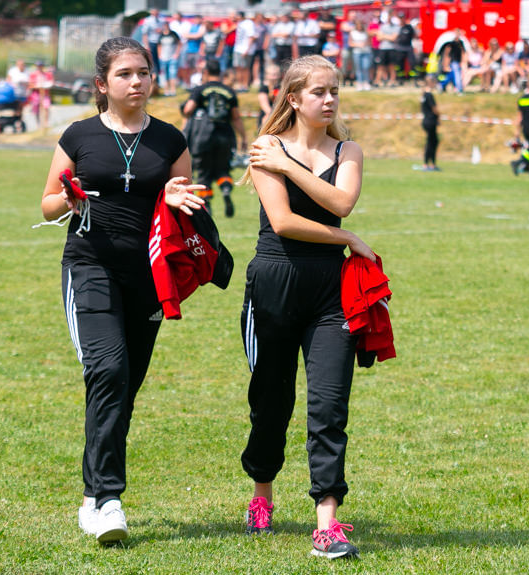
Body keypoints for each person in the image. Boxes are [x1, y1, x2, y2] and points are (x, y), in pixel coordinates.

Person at [39, 36, 206, 545]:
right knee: (107, 369)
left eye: (144, 73)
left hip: (150, 277)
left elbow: (186, 209)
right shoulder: (79, 135)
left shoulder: (171, 140)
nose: (137, 82)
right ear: (102, 84)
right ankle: (108, 499)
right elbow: (46, 204)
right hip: (90, 267)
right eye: (125, 74)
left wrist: (178, 196)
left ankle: (92, 494)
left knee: (122, 385)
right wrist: (67, 198)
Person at [239, 55, 374, 560]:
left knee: (329, 406)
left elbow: (342, 202)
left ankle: (327, 522)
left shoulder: (349, 149)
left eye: (335, 90)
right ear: (293, 99)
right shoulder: (265, 147)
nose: (330, 100)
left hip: (330, 292)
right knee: (271, 404)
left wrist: (291, 167)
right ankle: (261, 494)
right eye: (319, 91)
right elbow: (283, 221)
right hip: (275, 282)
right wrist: (346, 238)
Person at [181, 58, 247, 218]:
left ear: (205, 72)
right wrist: (243, 137)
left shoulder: (200, 90)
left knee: (203, 173)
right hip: (225, 135)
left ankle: (207, 204)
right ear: (220, 72)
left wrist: (185, 111)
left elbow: (188, 109)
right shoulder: (229, 91)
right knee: (223, 169)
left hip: (203, 136)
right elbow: (236, 117)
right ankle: (225, 188)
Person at [417, 74, 439, 171]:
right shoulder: (429, 95)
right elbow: (434, 109)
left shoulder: (423, 94)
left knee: (431, 142)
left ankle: (428, 163)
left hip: (426, 121)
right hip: (431, 121)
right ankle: (430, 164)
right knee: (432, 142)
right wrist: (439, 115)